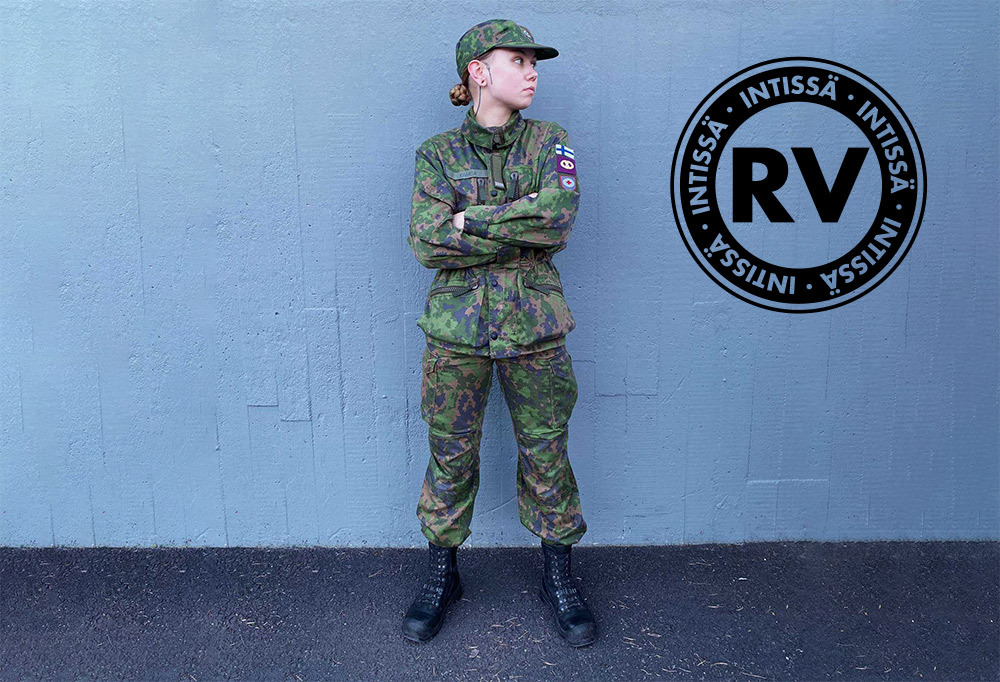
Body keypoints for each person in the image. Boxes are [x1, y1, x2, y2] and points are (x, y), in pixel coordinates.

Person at [400, 19, 596, 648]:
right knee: (451, 451)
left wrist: (470, 220)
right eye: (519, 60)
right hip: (457, 333)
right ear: (479, 72)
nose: (532, 72)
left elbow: (556, 219)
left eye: (534, 63)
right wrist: (512, 228)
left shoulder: (550, 142)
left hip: (535, 328)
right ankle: (443, 574)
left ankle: (558, 576)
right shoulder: (437, 154)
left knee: (546, 449)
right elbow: (427, 242)